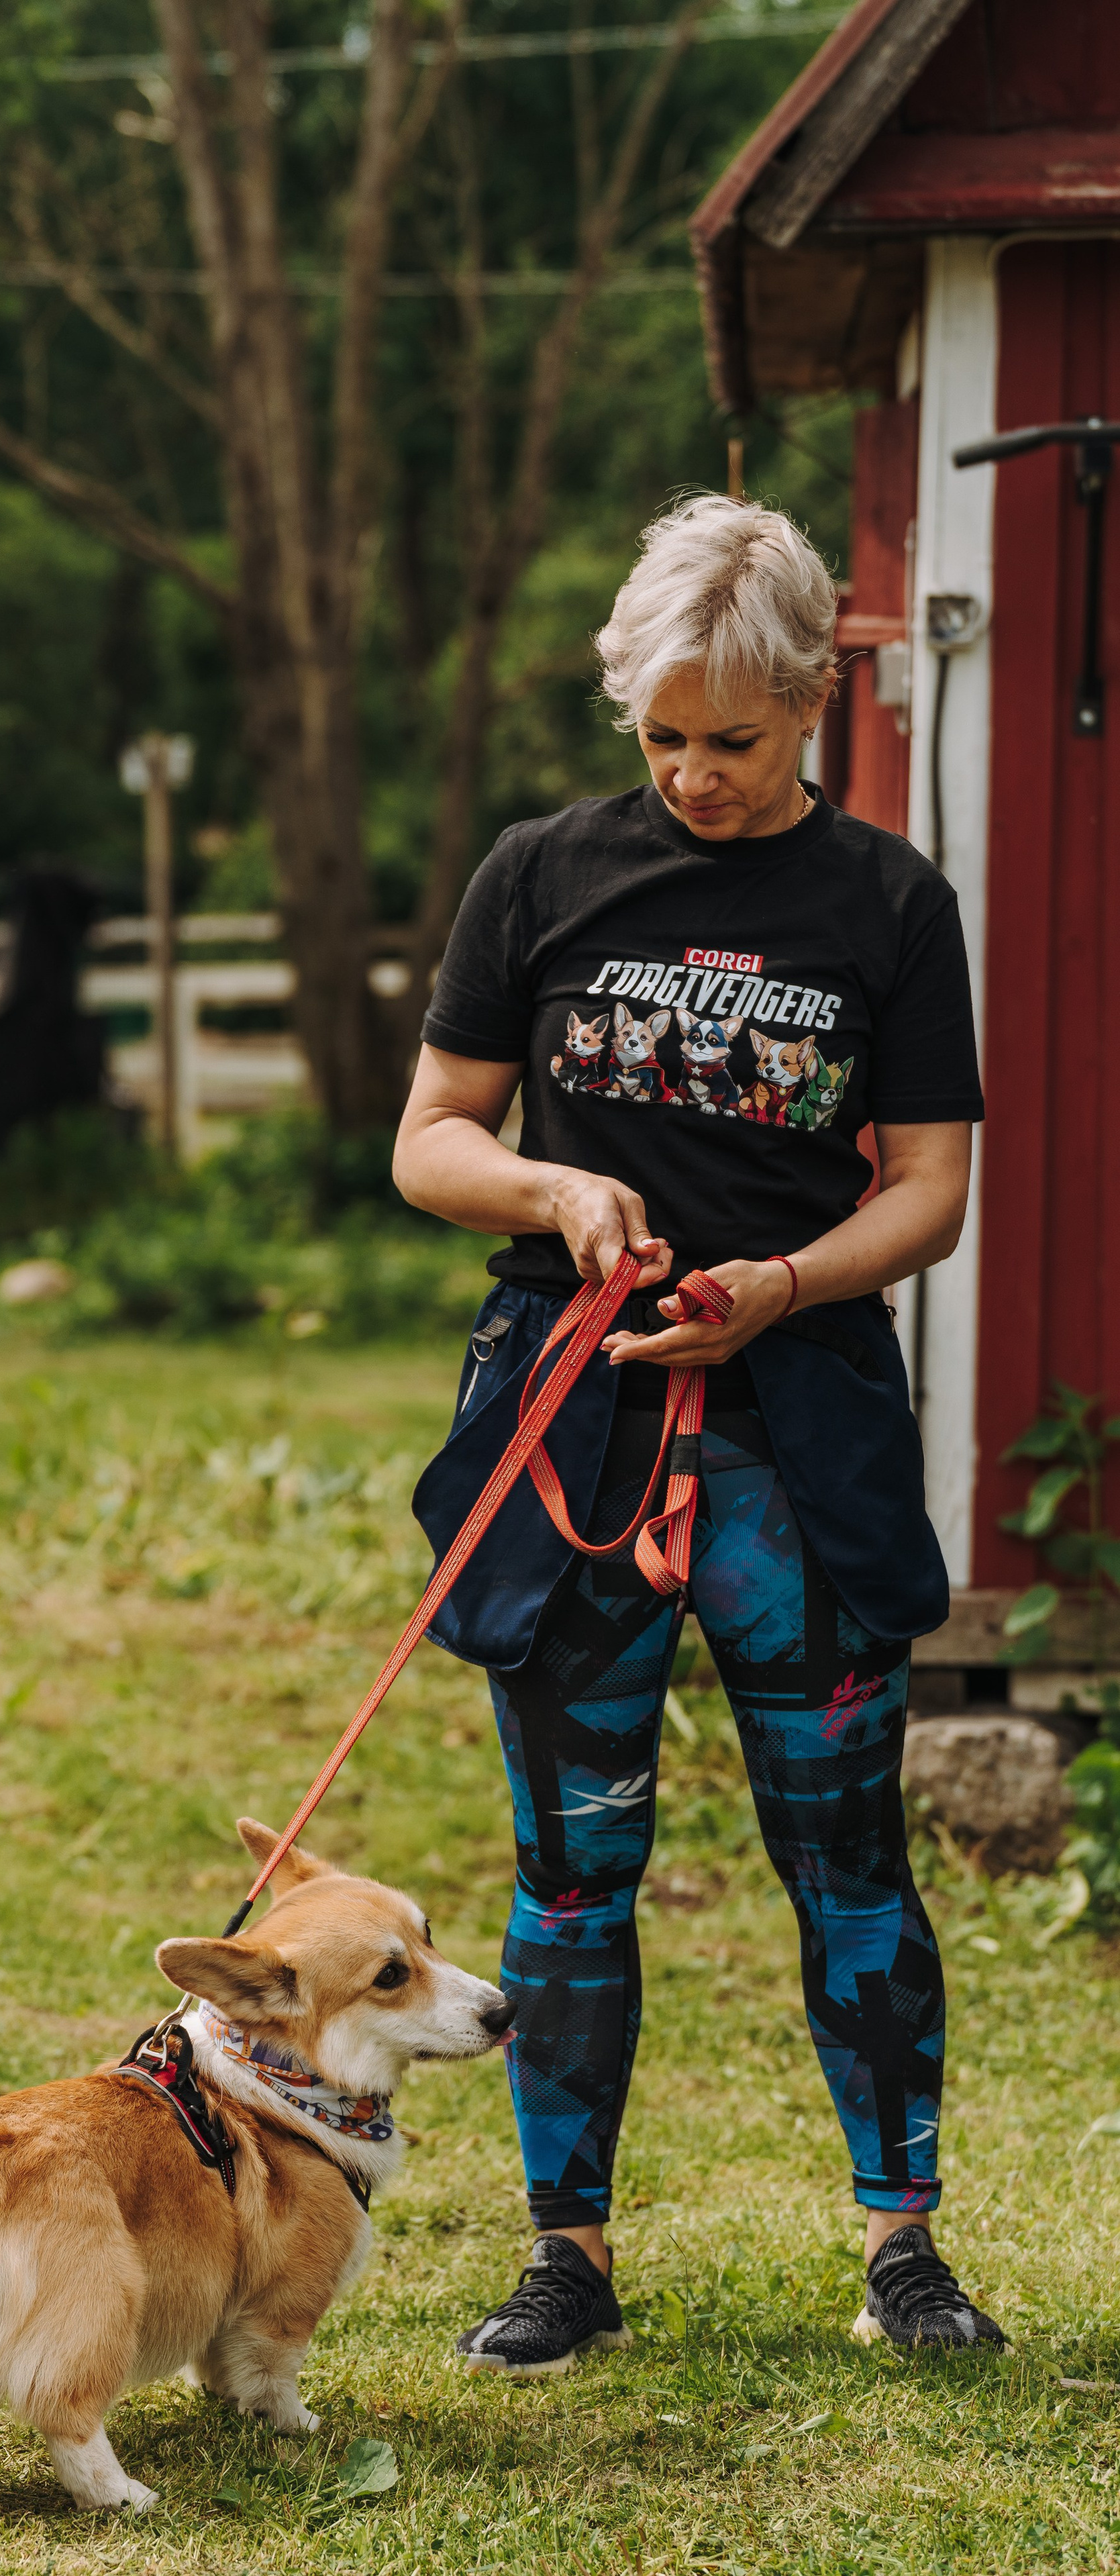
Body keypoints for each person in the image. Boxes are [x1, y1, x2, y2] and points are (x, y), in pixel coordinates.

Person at [393, 494, 1003, 2371]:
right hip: (575, 1429)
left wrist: (784, 1283)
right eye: (662, 737)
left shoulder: (892, 904)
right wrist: (558, 1191)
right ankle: (565, 2251)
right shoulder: (538, 873)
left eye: (731, 739)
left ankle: (903, 2243)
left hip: (796, 1433)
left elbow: (929, 1191)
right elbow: (432, 1139)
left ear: (812, 698)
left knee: (850, 1851)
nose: (694, 774)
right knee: (574, 1854)